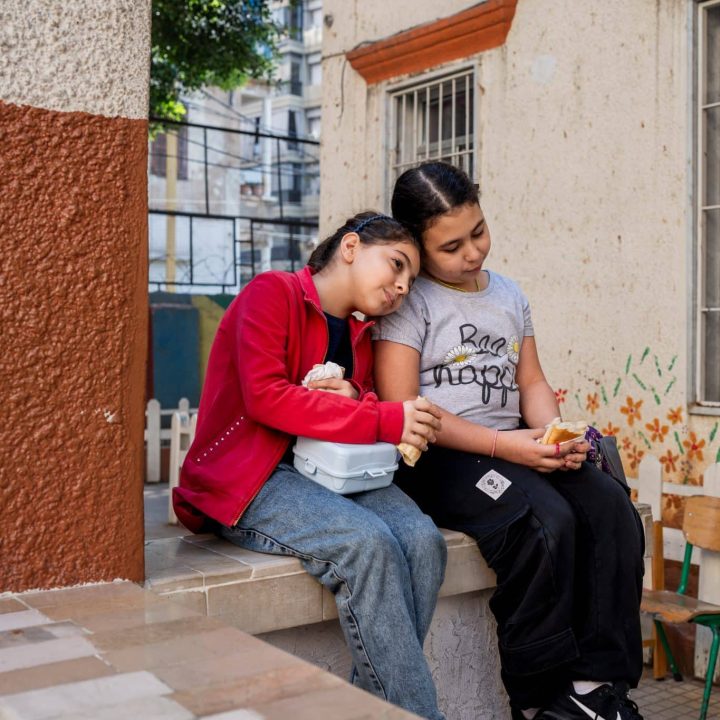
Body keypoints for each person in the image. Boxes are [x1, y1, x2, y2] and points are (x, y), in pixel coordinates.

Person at [373, 162, 645, 720]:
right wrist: (511, 448)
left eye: (478, 231)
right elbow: (407, 410)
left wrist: (553, 434)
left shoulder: (508, 294)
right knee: (543, 522)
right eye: (451, 246)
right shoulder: (412, 303)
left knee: (612, 507)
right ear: (419, 249)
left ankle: (595, 688)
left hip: (514, 445)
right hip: (441, 458)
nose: (472, 252)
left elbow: (532, 382)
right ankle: (541, 700)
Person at [173, 211, 447, 720]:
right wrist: (380, 417)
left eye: (410, 283)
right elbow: (264, 398)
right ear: (350, 246)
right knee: (366, 545)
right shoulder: (272, 293)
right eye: (396, 265)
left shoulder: (364, 333)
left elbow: (359, 407)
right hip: (252, 476)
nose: (401, 287)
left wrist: (355, 396)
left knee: (424, 543)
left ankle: (370, 707)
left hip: (331, 472)